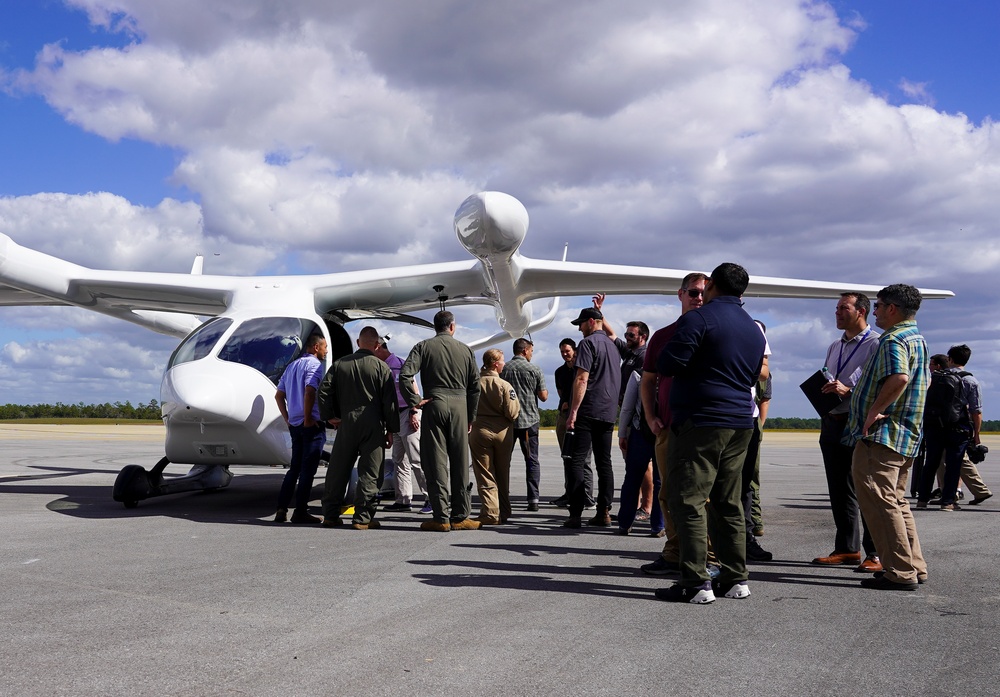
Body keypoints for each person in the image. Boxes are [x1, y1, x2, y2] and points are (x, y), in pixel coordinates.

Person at [654, 263, 766, 604]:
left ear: (713, 285)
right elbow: (753, 377)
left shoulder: (698, 319)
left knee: (687, 499)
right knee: (728, 500)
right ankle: (735, 577)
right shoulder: (753, 328)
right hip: (740, 422)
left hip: (701, 421)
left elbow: (669, 363)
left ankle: (694, 580)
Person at [846, 284, 929, 591]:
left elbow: (899, 377)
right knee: (896, 501)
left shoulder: (893, 338)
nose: (875, 311)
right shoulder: (917, 338)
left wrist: (874, 411)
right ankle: (913, 566)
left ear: (892, 308)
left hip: (883, 435)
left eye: (878, 306)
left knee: (880, 502)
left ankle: (899, 571)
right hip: (905, 434)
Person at [638, 272, 707, 576]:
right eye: (693, 293)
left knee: (705, 494)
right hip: (667, 427)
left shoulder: (714, 331)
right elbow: (648, 379)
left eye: (704, 293)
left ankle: (709, 556)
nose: (699, 298)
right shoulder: (663, 336)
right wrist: (651, 416)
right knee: (668, 493)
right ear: (680, 295)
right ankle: (674, 550)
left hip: (705, 428)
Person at [812, 293, 881, 572]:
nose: (837, 313)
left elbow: (877, 381)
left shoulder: (876, 344)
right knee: (839, 489)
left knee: (865, 489)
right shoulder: (834, 345)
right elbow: (832, 375)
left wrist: (849, 390)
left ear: (861, 311)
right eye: (837, 308)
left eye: (844, 308)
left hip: (857, 422)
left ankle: (875, 552)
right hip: (832, 421)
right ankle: (847, 548)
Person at [400, 310, 481, 532]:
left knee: (436, 463)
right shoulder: (465, 350)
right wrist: (470, 416)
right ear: (452, 326)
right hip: (460, 406)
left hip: (434, 404)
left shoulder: (423, 346)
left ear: (435, 327)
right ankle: (461, 515)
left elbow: (405, 375)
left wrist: (415, 401)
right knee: (460, 463)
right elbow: (475, 386)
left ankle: (440, 517)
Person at [318, 326, 399, 530]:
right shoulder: (382, 368)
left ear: (357, 343)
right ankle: (363, 517)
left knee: (338, 469)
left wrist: (330, 417)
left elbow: (323, 392)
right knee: (371, 471)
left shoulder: (339, 364)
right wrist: (391, 429)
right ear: (376, 345)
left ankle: (330, 514)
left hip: (346, 422)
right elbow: (390, 403)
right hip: (373, 423)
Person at [592, 294, 656, 521]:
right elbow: (611, 335)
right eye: (627, 334)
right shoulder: (629, 352)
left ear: (643, 337)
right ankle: (636, 503)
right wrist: (600, 311)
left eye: (631, 335)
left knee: (644, 464)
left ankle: (647, 507)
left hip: (640, 416)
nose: (627, 337)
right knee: (632, 463)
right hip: (626, 414)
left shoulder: (645, 356)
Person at [564, 307, 621, 528]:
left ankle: (576, 512)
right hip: (607, 411)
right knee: (603, 462)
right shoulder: (613, 345)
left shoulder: (588, 344)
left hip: (588, 408)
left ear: (590, 322)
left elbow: (581, 379)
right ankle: (604, 511)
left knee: (577, 460)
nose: (579, 328)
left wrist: (574, 412)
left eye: (581, 324)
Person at [916, 344, 990, 510]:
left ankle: (922, 499)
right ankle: (948, 501)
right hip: (957, 428)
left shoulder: (934, 377)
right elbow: (976, 411)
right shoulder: (970, 380)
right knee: (954, 464)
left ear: (949, 359)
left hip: (934, 427)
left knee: (931, 463)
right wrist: (976, 435)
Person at [273, 334, 328, 524]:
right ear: (315, 348)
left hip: (294, 425)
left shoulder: (291, 366)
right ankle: (301, 511)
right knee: (308, 470)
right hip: (310, 424)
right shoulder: (315, 366)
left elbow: (278, 396)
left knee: (294, 469)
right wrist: (308, 418)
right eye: (324, 347)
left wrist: (288, 419)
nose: (326, 351)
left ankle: (281, 508)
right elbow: (310, 391)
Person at [374, 336, 429, 513]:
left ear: (379, 348)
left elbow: (413, 389)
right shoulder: (383, 366)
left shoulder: (397, 364)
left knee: (416, 458)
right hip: (395, 417)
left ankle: (431, 497)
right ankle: (404, 499)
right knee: (399, 460)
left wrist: (414, 411)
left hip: (407, 412)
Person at [470, 349, 520, 524]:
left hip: (479, 430)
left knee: (485, 473)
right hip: (502, 433)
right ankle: (504, 511)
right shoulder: (505, 385)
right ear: (495, 364)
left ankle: (491, 512)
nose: (504, 364)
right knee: (502, 472)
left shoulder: (474, 383)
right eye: (502, 361)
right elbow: (513, 412)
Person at [500, 337, 548, 512]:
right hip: (529, 422)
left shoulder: (503, 369)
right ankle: (533, 499)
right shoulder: (534, 369)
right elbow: (543, 396)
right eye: (531, 351)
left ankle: (502, 496)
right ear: (525, 351)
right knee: (532, 461)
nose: (531, 354)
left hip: (508, 422)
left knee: (504, 461)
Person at [617, 371, 664, 537]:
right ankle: (658, 525)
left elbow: (627, 408)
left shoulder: (638, 374)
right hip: (663, 431)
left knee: (632, 479)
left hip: (640, 432)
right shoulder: (671, 371)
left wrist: (622, 433)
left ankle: (625, 522)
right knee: (660, 481)